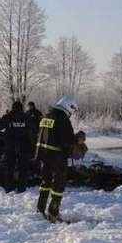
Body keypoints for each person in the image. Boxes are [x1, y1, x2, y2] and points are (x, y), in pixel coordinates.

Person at [35, 95, 78, 223]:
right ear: (69, 107)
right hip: (57, 157)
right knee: (58, 186)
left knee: (45, 183)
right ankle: (53, 213)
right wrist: (76, 140)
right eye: (73, 110)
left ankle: (40, 208)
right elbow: (67, 141)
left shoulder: (46, 117)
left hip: (44, 156)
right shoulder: (63, 119)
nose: (72, 113)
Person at [1, 101, 30, 192]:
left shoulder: (7, 117)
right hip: (23, 146)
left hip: (10, 146)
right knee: (23, 168)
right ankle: (21, 188)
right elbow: (32, 131)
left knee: (9, 167)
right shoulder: (26, 117)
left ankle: (9, 187)